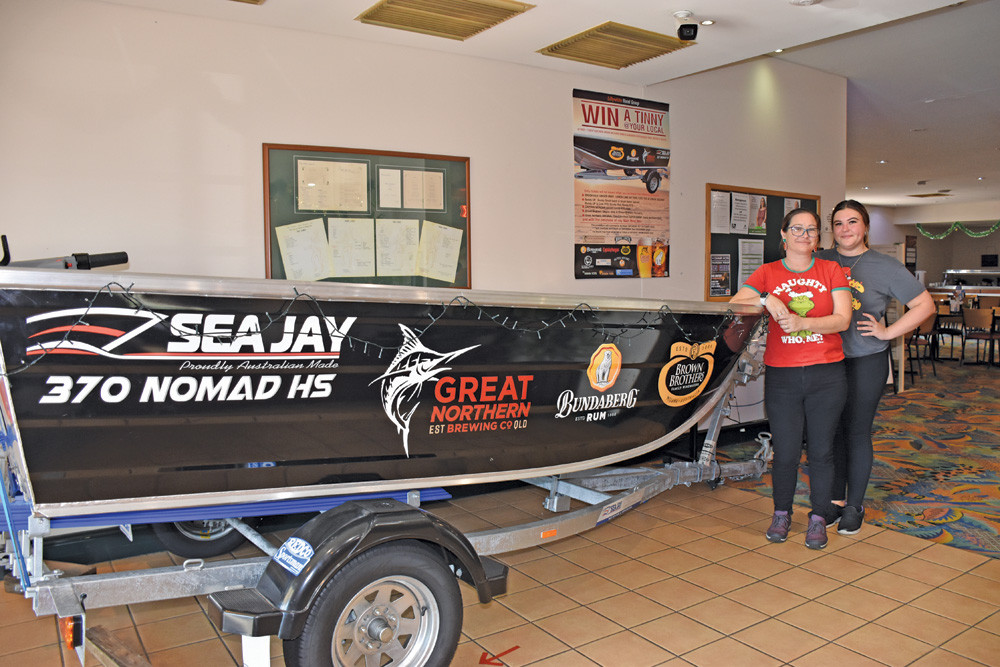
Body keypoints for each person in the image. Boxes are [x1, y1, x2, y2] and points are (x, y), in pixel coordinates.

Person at [731, 209, 852, 549]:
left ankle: (818, 518)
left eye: (812, 230)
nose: (804, 234)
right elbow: (736, 303)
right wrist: (767, 298)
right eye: (797, 229)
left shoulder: (831, 270)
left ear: (818, 237)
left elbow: (842, 319)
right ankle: (781, 513)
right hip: (783, 376)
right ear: (783, 235)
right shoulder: (768, 272)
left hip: (827, 374)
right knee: (784, 452)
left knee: (821, 450)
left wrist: (803, 324)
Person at [816, 200, 935, 534]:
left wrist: (887, 332)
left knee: (856, 430)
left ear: (865, 226)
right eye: (838, 223)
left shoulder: (886, 266)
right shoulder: (820, 260)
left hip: (866, 359)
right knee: (832, 431)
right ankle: (835, 502)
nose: (845, 229)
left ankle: (855, 505)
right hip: (827, 359)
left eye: (852, 222)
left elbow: (924, 304)